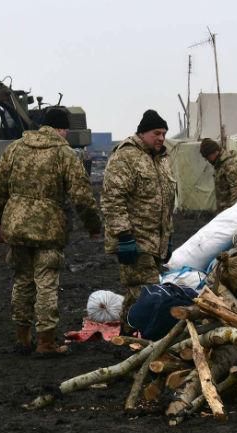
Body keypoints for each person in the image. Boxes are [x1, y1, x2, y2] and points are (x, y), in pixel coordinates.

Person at [0, 108, 101, 357]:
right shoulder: (64, 153)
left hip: (16, 227)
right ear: (62, 129)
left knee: (22, 282)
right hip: (48, 229)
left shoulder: (15, 148)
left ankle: (22, 338)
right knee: (46, 283)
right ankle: (46, 341)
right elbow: (82, 195)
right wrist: (93, 225)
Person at [101, 109, 176, 333]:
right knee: (148, 290)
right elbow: (112, 198)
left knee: (138, 291)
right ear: (143, 133)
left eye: (164, 133)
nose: (161, 138)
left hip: (156, 239)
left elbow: (166, 200)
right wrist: (124, 237)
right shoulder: (126, 156)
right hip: (135, 238)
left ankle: (127, 332)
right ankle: (142, 337)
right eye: (156, 133)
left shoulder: (161, 159)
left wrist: (168, 236)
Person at [199, 138, 237, 213]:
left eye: (208, 157)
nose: (207, 160)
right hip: (225, 211)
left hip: (234, 212)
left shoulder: (230, 166)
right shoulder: (220, 165)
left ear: (215, 152)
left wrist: (229, 214)